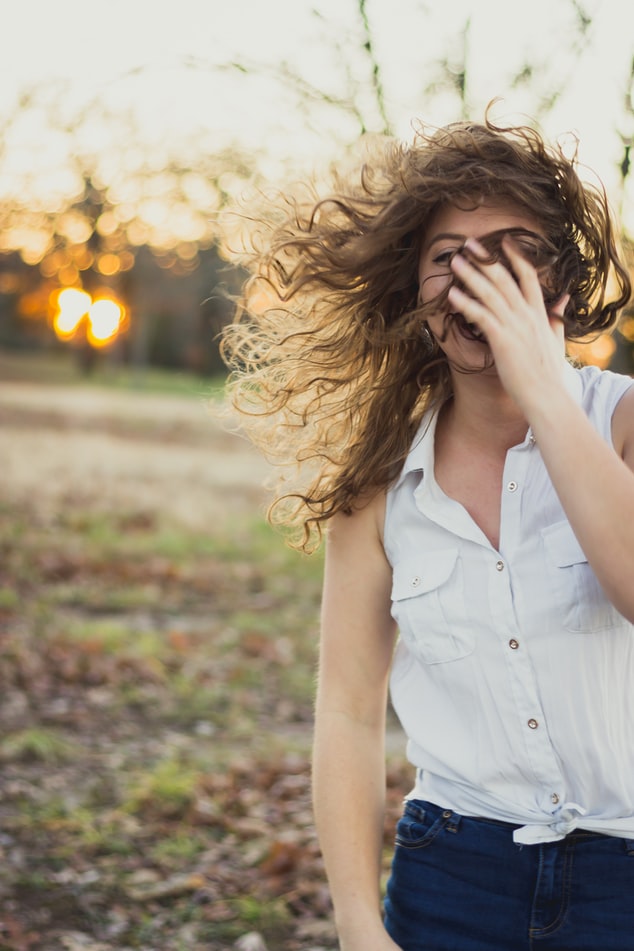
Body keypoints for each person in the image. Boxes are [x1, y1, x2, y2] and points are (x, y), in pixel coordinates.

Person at [220, 115, 634, 951]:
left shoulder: (621, 423)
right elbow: (346, 709)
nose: (476, 275)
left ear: (559, 279)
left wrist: (542, 383)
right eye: (448, 256)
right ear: (413, 290)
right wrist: (357, 923)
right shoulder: (379, 479)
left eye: (512, 249)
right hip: (452, 874)